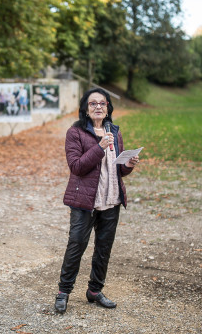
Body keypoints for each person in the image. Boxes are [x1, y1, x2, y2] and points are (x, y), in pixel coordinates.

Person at [54, 88, 140, 314]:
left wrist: (128, 165)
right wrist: (100, 146)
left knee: (103, 248)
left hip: (111, 199)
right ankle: (63, 292)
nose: (98, 107)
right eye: (93, 104)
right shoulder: (76, 132)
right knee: (76, 245)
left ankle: (94, 290)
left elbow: (117, 170)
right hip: (85, 201)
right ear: (85, 108)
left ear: (109, 107)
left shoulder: (114, 131)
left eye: (103, 103)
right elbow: (77, 167)